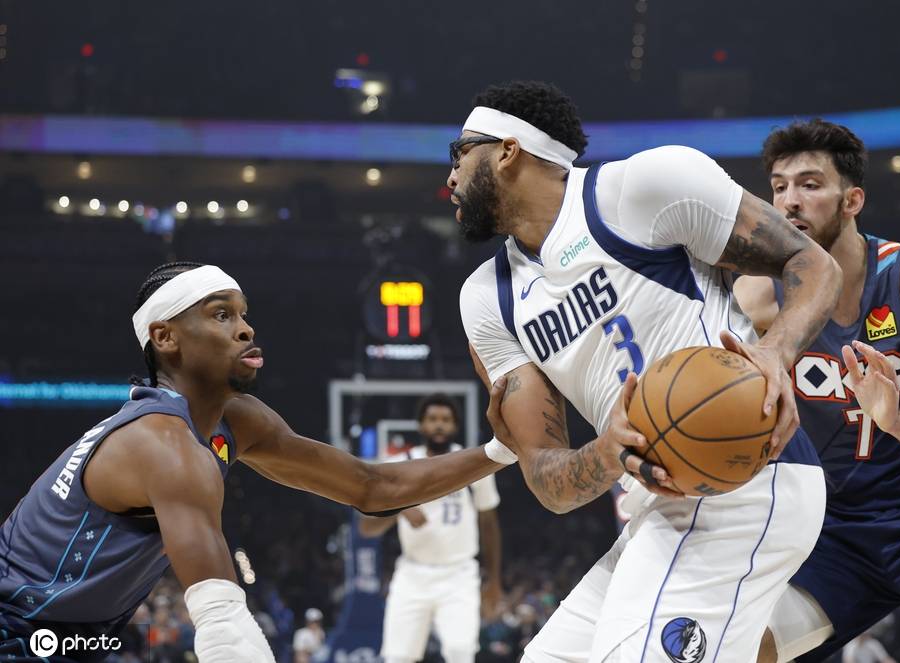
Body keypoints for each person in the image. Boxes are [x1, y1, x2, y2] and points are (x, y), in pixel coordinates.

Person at [454, 80, 841, 661]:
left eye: (459, 153)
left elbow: (812, 263)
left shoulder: (641, 188)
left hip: (748, 478)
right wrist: (609, 450)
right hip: (655, 507)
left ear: (508, 150)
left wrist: (775, 353)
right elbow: (547, 480)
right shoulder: (486, 298)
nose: (450, 177)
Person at [0, 261, 518, 663]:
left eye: (243, 314)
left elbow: (371, 487)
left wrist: (501, 449)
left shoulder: (236, 419)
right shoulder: (162, 444)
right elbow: (222, 624)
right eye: (221, 315)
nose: (245, 329)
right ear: (165, 338)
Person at [734, 118, 900, 662]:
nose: (789, 201)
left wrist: (897, 422)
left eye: (810, 184)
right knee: (743, 650)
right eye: (780, 187)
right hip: (833, 532)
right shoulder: (758, 296)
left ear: (852, 200)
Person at [360, 393, 505, 663]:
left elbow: (489, 523)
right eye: (433, 419)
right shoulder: (399, 465)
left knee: (460, 652)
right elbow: (367, 528)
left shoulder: (473, 462)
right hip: (412, 572)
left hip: (459, 573)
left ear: (455, 426)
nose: (439, 425)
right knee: (397, 656)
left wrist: (494, 581)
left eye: (446, 419)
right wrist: (398, 507)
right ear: (421, 424)